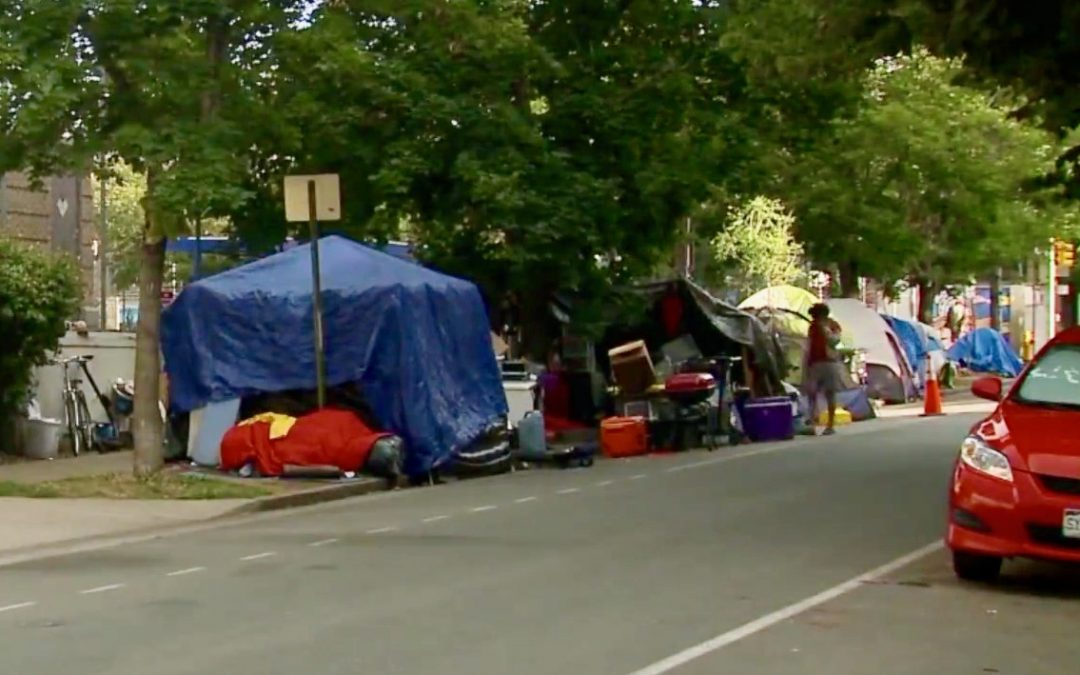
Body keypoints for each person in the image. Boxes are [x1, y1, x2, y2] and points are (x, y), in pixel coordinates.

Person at [804, 303, 845, 435]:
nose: (814, 319)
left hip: (829, 361)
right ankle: (812, 422)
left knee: (830, 393)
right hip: (815, 362)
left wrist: (825, 329)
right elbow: (808, 344)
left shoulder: (832, 325)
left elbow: (835, 340)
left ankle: (830, 425)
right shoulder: (813, 327)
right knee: (811, 392)